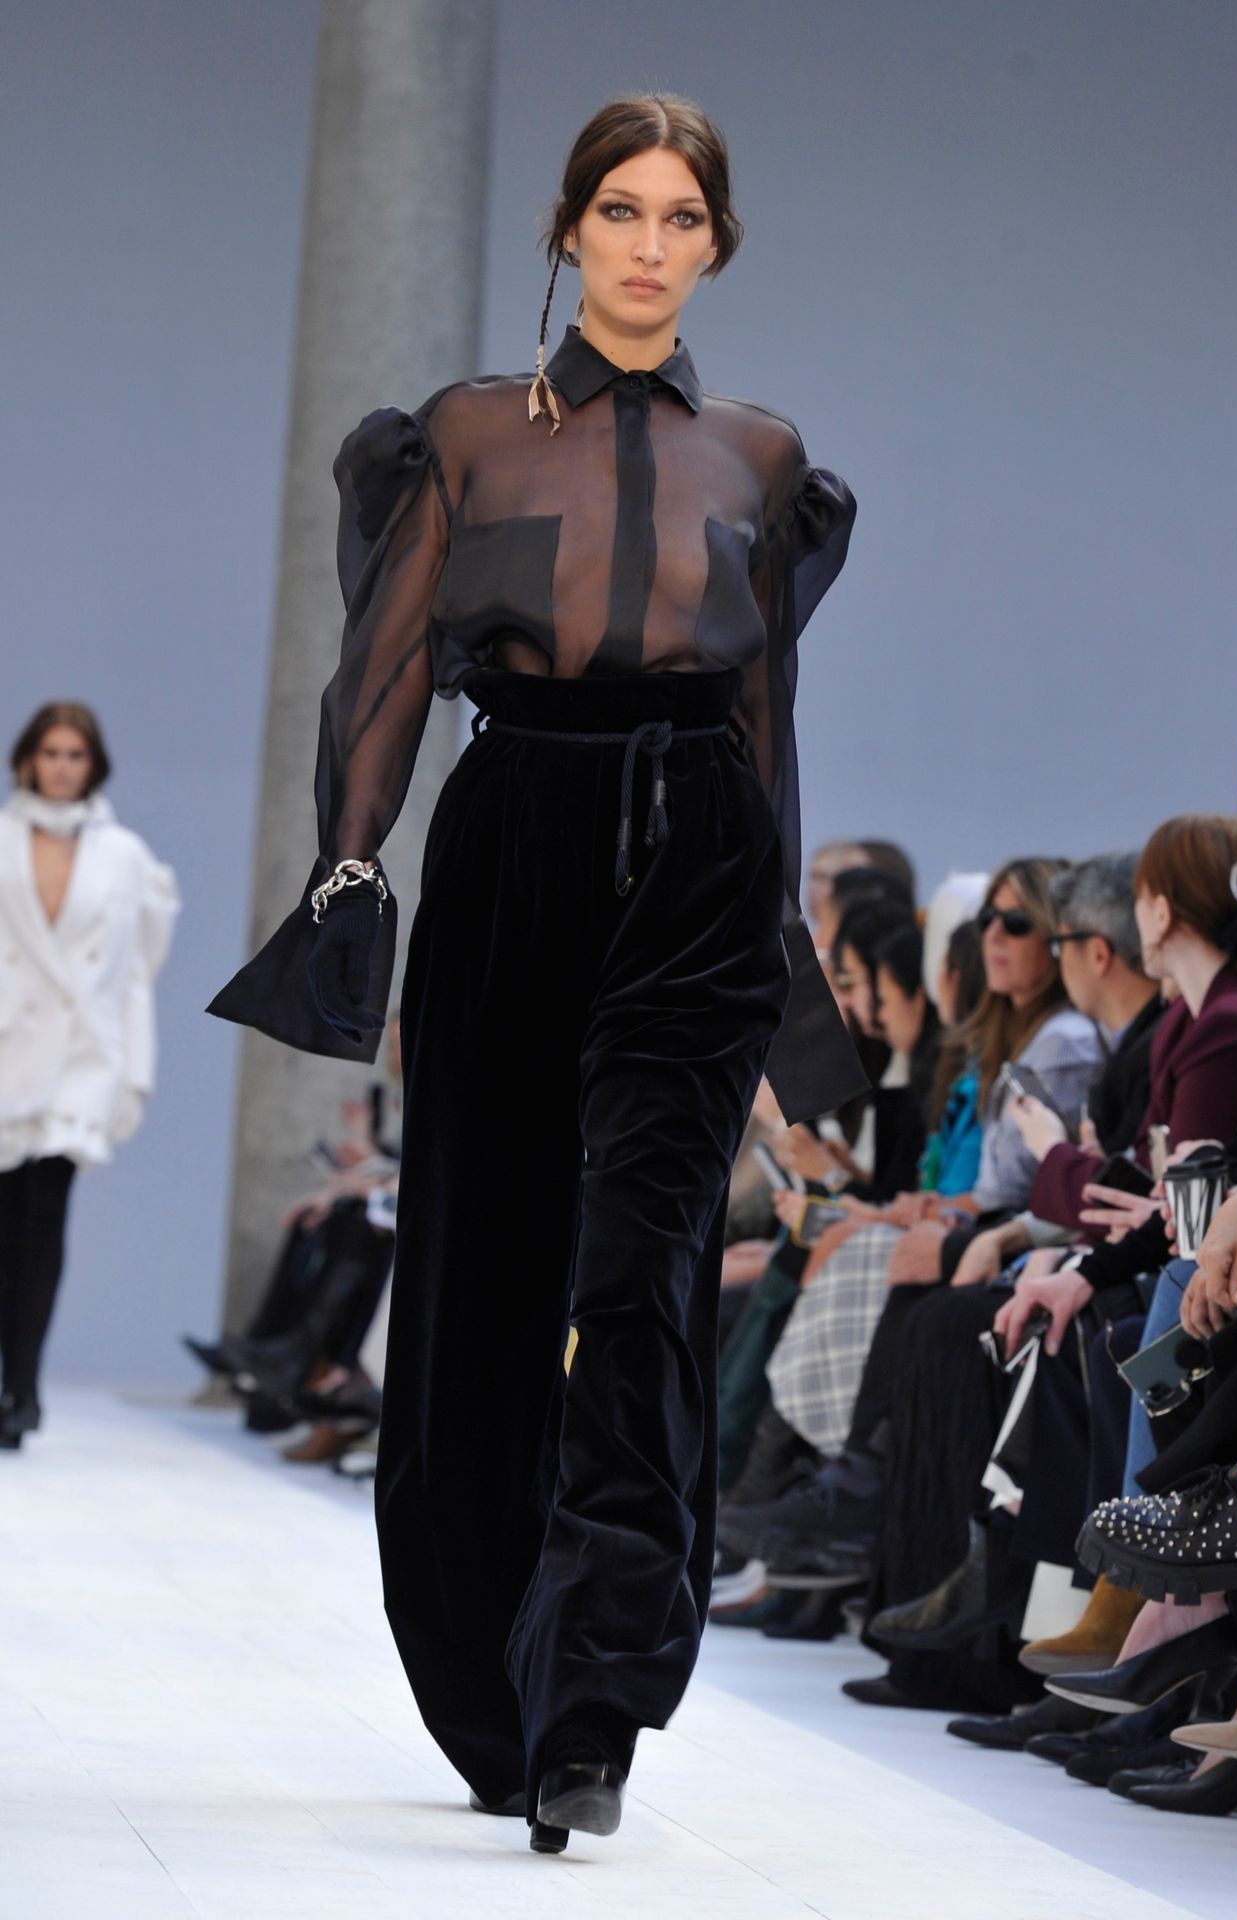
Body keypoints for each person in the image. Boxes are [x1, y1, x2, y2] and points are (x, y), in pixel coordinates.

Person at [207, 92, 865, 1851]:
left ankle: (596, 1699)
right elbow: (383, 675)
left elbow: (767, 714)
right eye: (620, 211)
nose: (650, 245)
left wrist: (781, 941)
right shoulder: (469, 434)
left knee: (645, 1278)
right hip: (515, 842)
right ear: (568, 231)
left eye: (682, 217)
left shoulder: (763, 457)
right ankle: (489, 1672)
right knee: (485, 1273)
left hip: (699, 864)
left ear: (716, 244)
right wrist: (351, 871)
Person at [0, 701, 179, 1447]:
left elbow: (135, 973)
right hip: (6, 1049)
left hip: (78, 1057)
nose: (62, 767)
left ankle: (21, 1388)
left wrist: (133, 1072)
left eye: (75, 754)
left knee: (42, 1224)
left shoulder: (125, 858)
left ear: (94, 764)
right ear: (27, 759)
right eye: (51, 752)